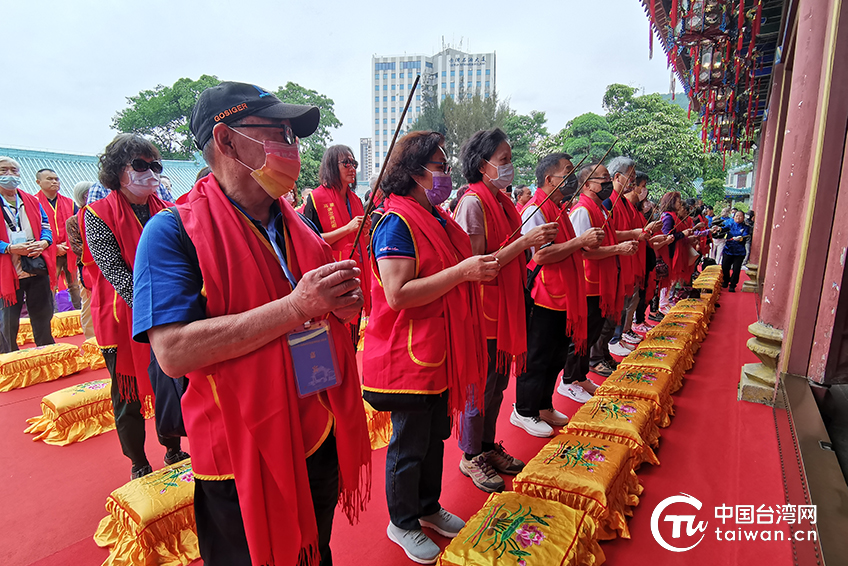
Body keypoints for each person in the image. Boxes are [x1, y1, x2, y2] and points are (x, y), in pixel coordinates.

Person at [132, 81, 370, 566]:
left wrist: (342, 308)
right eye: (277, 133)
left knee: (314, 549)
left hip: (316, 423)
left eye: (292, 136)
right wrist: (296, 307)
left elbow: (323, 313)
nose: (291, 148)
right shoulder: (173, 232)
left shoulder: (298, 225)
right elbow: (172, 352)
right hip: (240, 448)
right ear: (226, 140)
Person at [362, 131, 494, 563]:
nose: (446, 174)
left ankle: (427, 507)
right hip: (409, 356)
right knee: (409, 444)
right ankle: (402, 521)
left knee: (434, 437)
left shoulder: (436, 216)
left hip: (440, 349)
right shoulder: (396, 222)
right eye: (439, 166)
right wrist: (462, 273)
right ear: (415, 172)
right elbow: (398, 294)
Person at [453, 128, 557, 492]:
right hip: (482, 311)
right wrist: (526, 241)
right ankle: (470, 455)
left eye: (510, 159)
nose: (510, 166)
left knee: (496, 386)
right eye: (504, 160)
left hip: (504, 308)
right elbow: (476, 264)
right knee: (479, 389)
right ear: (482, 165)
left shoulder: (502, 202)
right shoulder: (473, 203)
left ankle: (485, 446)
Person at [83, 134, 188, 480]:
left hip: (167, 310)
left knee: (170, 382)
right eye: (140, 165)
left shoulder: (169, 211)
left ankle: (173, 447)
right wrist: (153, 314)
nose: (150, 173)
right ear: (118, 171)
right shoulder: (97, 214)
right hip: (121, 315)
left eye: (154, 165)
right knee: (127, 393)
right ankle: (138, 460)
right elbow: (115, 271)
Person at [511, 153, 603, 438]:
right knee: (537, 356)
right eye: (568, 171)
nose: (573, 177)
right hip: (544, 295)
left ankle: (543, 405)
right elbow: (541, 255)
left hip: (564, 293)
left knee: (556, 355)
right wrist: (580, 241)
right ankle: (524, 409)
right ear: (550, 179)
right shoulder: (535, 208)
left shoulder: (558, 208)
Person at [560, 162, 637, 400]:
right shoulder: (582, 210)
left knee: (592, 332)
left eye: (608, 177)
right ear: (587, 184)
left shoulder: (600, 209)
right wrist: (617, 249)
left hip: (601, 281)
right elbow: (583, 251)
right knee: (581, 335)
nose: (607, 182)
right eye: (603, 178)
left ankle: (580, 375)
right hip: (588, 282)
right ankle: (568, 379)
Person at [303, 146, 372, 336]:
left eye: (354, 163)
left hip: (356, 273)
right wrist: (347, 229)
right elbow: (310, 241)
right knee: (335, 334)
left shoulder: (356, 200)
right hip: (331, 277)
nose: (352, 168)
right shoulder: (316, 199)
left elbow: (363, 242)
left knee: (354, 335)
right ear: (332, 166)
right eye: (346, 163)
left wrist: (365, 232)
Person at [601, 157, 660, 359]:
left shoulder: (624, 204)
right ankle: (610, 343)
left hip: (628, 260)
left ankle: (616, 338)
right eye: (632, 177)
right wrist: (635, 233)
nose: (635, 184)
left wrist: (643, 233)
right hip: (614, 262)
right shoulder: (608, 202)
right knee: (613, 310)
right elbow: (606, 235)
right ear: (617, 177)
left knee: (624, 305)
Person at [0, 156, 55, 353]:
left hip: (34, 265)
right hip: (7, 271)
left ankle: (47, 354)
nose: (10, 175)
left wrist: (44, 243)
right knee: (8, 321)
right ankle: (9, 359)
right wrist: (8, 248)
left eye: (14, 170)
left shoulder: (31, 200)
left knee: (43, 315)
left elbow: (46, 226)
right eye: (4, 170)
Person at [35, 168, 81, 310]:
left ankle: (79, 314)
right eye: (49, 179)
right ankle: (51, 316)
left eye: (56, 179)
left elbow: (78, 226)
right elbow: (34, 230)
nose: (54, 182)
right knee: (50, 285)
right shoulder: (33, 203)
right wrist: (53, 247)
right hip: (47, 251)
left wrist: (69, 244)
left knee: (75, 285)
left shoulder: (70, 203)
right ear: (38, 182)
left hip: (69, 250)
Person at [65, 181, 95, 339]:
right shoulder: (73, 221)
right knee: (89, 304)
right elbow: (77, 248)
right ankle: (91, 341)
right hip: (87, 267)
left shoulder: (104, 215)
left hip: (106, 266)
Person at [722, 210, 751, 292]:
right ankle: (726, 280)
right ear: (733, 217)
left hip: (739, 252)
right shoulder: (730, 224)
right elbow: (724, 229)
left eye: (740, 216)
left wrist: (741, 238)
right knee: (725, 267)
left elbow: (745, 235)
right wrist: (719, 229)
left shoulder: (746, 227)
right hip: (728, 249)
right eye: (737, 216)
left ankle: (733, 285)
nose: (738, 217)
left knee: (736, 269)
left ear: (743, 218)